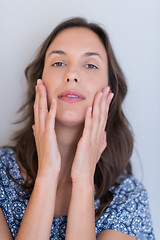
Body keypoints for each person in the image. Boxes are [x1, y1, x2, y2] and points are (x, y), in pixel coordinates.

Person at [0, 17, 155, 240]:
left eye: (90, 65)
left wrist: (83, 179)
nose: (72, 75)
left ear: (109, 89)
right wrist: (47, 175)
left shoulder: (127, 198)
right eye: (58, 63)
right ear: (39, 82)